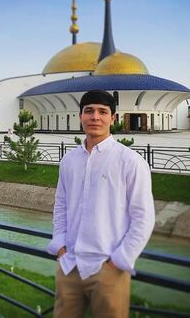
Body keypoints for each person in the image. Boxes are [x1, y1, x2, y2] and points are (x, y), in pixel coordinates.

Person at [47, 90, 155, 318]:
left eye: (102, 112)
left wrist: (119, 260)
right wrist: (60, 245)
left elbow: (143, 217)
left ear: (112, 118)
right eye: (89, 111)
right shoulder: (69, 161)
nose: (95, 117)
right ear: (80, 116)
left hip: (108, 269)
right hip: (70, 265)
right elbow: (61, 206)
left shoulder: (131, 162)